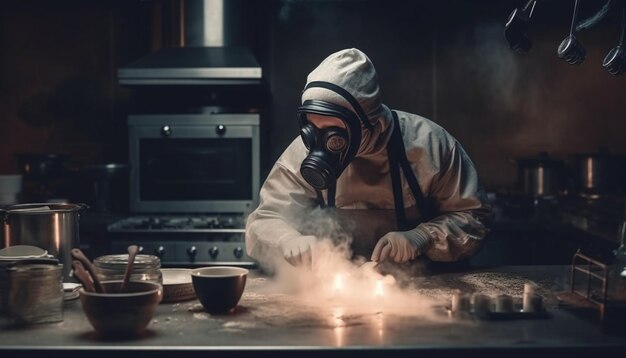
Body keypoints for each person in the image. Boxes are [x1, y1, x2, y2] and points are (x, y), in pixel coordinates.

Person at [245, 48, 492, 271]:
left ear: (370, 122)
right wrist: (287, 239)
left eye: (334, 133)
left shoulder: (431, 146)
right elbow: (264, 220)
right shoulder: (304, 150)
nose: (321, 145)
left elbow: (474, 218)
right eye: (313, 127)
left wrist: (423, 238)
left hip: (426, 291)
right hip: (341, 291)